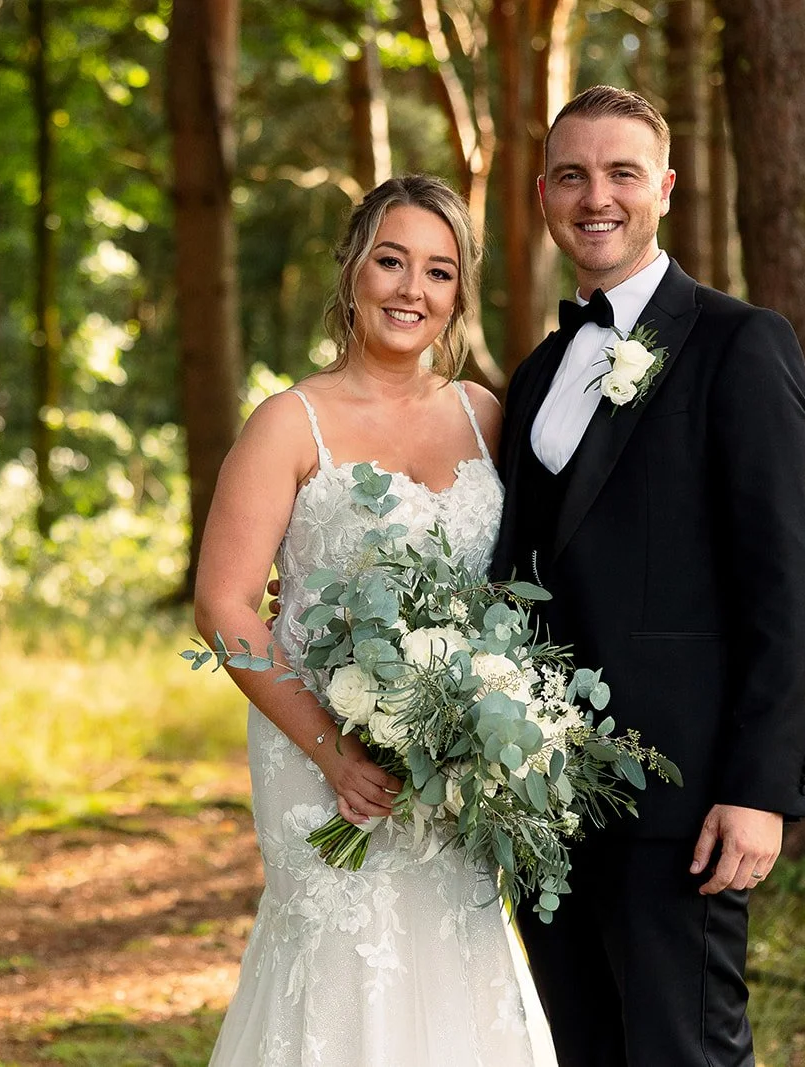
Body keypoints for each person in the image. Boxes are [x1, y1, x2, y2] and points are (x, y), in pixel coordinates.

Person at [193, 175, 557, 1066]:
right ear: (353, 270)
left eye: (437, 272)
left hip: (454, 764)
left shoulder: (485, 417)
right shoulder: (289, 422)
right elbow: (225, 604)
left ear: (459, 294)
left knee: (456, 961)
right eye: (391, 261)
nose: (410, 289)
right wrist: (334, 751)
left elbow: (519, 583)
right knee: (344, 970)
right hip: (320, 760)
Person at [492, 85, 805, 1066]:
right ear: (544, 193)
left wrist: (758, 787)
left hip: (679, 796)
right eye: (573, 175)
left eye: (622, 172)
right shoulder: (540, 371)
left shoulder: (736, 343)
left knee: (685, 1052)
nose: (598, 196)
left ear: (664, 189)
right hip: (542, 794)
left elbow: (781, 581)